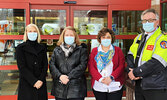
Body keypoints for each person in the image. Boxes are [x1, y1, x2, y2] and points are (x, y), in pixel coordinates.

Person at [127, 9, 167, 100]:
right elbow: (130, 55)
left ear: (157, 21)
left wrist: (135, 72)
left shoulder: (163, 39)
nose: (147, 23)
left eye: (150, 20)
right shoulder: (139, 37)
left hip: (156, 86)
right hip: (139, 85)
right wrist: (131, 70)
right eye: (144, 21)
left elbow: (157, 63)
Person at [49, 26, 87, 100]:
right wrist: (60, 76)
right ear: (63, 36)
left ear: (75, 37)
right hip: (60, 89)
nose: (69, 37)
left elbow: (82, 66)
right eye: (67, 35)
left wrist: (69, 77)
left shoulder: (82, 50)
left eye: (71, 35)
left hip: (76, 90)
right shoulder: (57, 50)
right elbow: (52, 65)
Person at [88, 28, 125, 100]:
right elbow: (91, 67)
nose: (106, 39)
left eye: (108, 37)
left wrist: (111, 77)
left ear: (112, 38)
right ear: (100, 39)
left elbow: (121, 66)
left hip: (114, 86)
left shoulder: (117, 50)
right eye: (103, 37)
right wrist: (101, 79)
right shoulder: (95, 51)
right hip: (99, 86)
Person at [16, 24, 48, 100]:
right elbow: (22, 67)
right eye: (30, 31)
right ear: (26, 33)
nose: (32, 33)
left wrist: (40, 80)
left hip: (40, 83)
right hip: (27, 83)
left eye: (34, 31)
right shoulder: (20, 48)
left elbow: (45, 65)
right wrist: (34, 81)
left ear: (38, 33)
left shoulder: (42, 48)